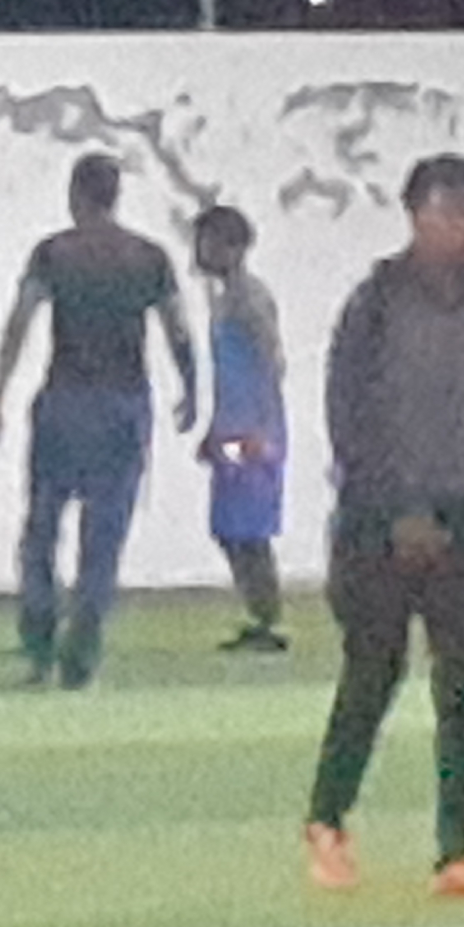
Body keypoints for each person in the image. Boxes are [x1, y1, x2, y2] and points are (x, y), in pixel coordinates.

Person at [302, 153, 464, 896]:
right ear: (417, 217)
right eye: (454, 213)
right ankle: (327, 820)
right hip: (377, 523)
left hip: (463, 517)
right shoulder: (375, 307)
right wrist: (395, 512)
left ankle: (457, 850)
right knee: (373, 673)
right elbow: (350, 418)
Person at [0, 151, 196, 689]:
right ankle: (83, 651)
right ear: (115, 195)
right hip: (123, 404)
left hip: (65, 399)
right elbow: (178, 329)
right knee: (104, 535)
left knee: (42, 526)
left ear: (75, 195)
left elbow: (20, 322)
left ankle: (38, 641)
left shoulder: (54, 253)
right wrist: (191, 390)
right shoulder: (148, 257)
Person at [192, 202, 289, 653]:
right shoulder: (224, 300)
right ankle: (257, 612)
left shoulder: (250, 299)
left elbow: (270, 363)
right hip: (232, 430)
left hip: (254, 433)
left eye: (207, 242)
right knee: (229, 524)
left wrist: (262, 430)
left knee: (250, 527)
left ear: (232, 247)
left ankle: (268, 618)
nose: (200, 251)